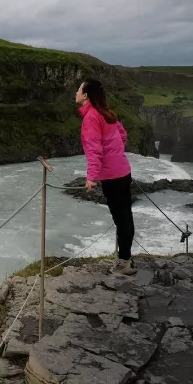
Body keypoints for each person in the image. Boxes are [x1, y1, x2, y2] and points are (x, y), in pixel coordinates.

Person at [75, 78, 137, 276]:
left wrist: (91, 176)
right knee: (125, 216)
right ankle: (125, 258)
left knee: (121, 219)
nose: (75, 93)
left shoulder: (92, 118)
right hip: (123, 171)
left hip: (112, 176)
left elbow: (94, 150)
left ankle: (123, 263)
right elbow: (123, 135)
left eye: (78, 89)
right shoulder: (107, 113)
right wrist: (116, 154)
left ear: (85, 95)